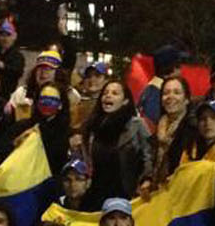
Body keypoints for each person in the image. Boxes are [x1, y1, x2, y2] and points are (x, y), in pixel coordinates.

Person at [81, 76, 151, 204]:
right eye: (105, 93)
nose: (108, 96)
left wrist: (146, 180)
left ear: (125, 101)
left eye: (115, 93)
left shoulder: (136, 125)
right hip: (96, 193)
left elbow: (149, 154)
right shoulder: (91, 126)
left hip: (125, 194)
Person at [143, 76, 195, 192]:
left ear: (186, 99)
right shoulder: (158, 128)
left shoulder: (193, 130)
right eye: (166, 93)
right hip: (157, 191)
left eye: (177, 93)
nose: (170, 97)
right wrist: (147, 179)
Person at [136, 44, 184, 133]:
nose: (181, 71)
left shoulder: (151, 90)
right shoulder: (155, 96)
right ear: (171, 70)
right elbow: (150, 131)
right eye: (179, 66)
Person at [0, 17, 25, 98]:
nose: (5, 38)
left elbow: (17, 72)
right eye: (2, 35)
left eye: (8, 35)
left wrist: (1, 65)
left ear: (14, 36)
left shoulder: (18, 56)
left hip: (7, 96)